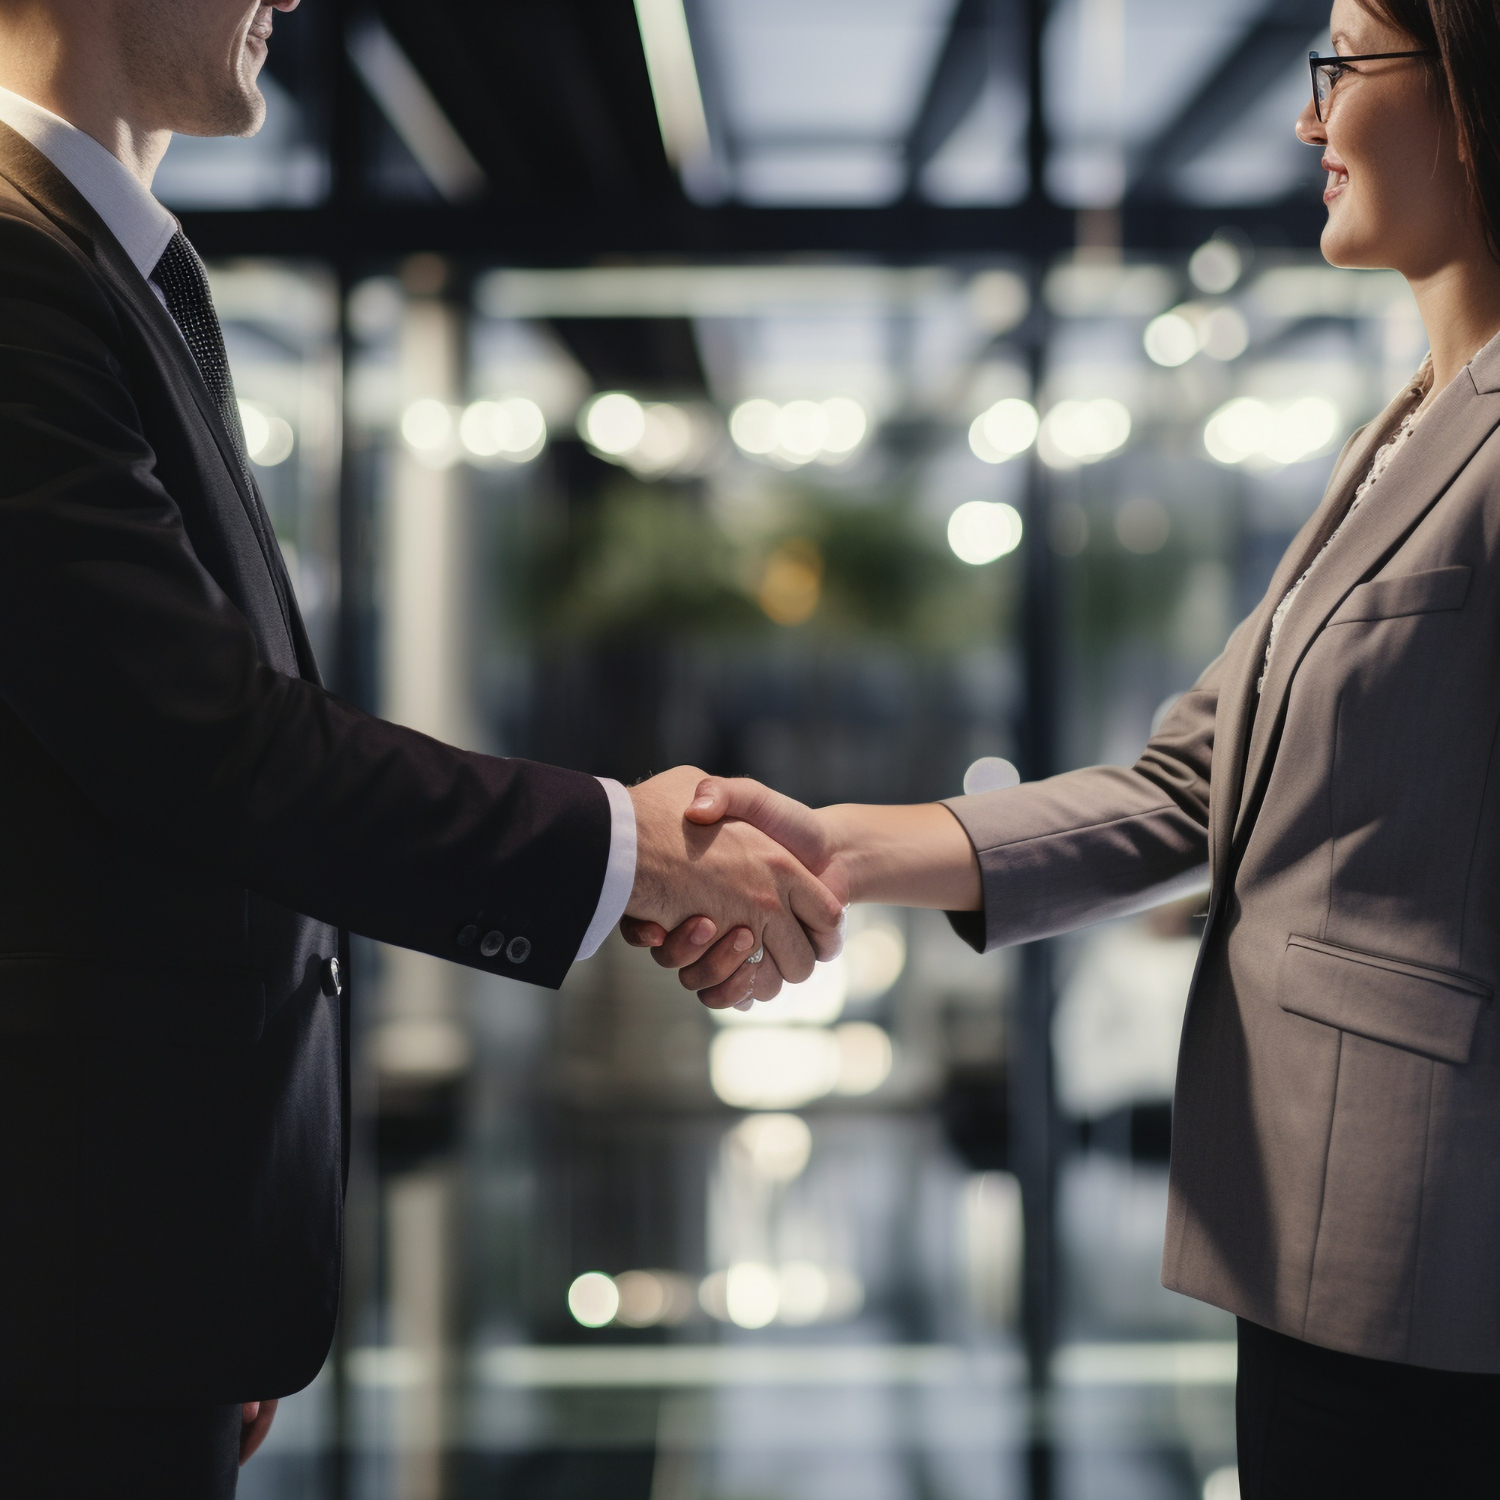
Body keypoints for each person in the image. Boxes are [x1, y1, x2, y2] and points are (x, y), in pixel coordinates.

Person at [632, 0, 1500, 1489]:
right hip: (1326, 1235)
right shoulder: (1413, 427)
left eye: (1344, 66)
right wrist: (831, 849)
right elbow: (1188, 784)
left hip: (1441, 1248)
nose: (1308, 121)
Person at [0, 0, 841, 1491]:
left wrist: (216, 1283)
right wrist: (620, 845)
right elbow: (206, 748)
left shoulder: (88, 264)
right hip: (65, 1288)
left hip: (129, 1278)